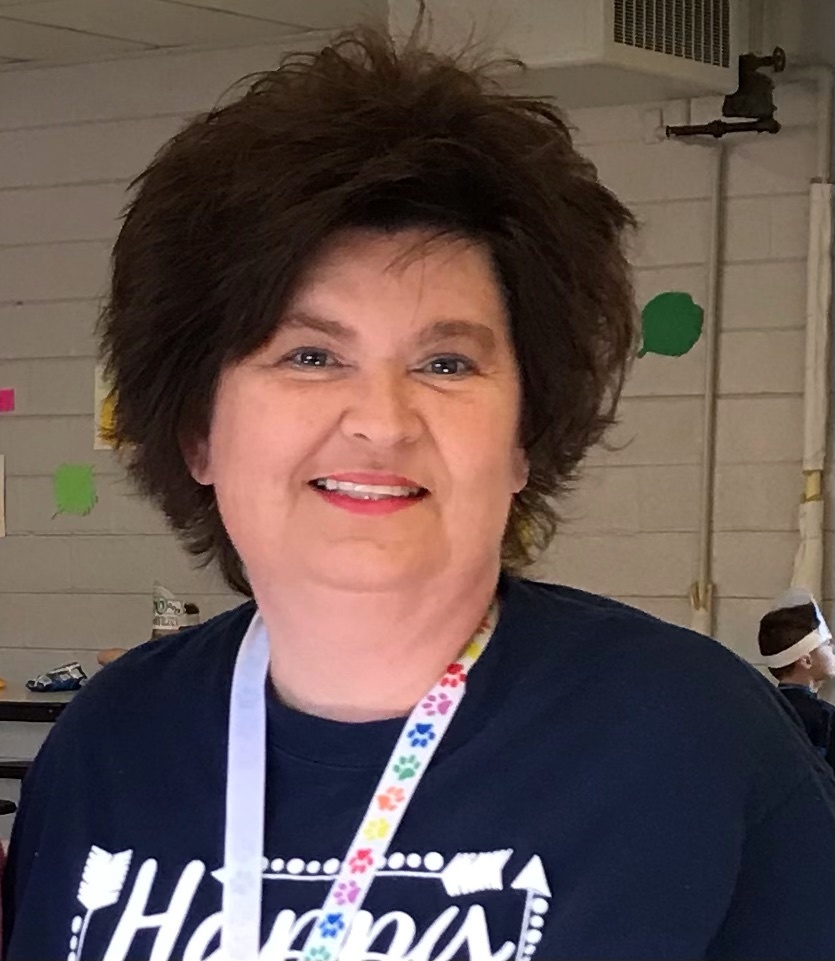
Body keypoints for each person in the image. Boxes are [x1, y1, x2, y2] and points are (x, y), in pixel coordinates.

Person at [2, 24, 833, 961]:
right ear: (198, 430)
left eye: (445, 362)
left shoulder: (693, 746)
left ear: (523, 436)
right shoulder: (111, 744)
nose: (381, 420)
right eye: (309, 355)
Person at [759, 588, 835, 773]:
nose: (832, 649)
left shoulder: (761, 708)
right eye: (826, 644)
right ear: (806, 661)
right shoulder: (825, 718)